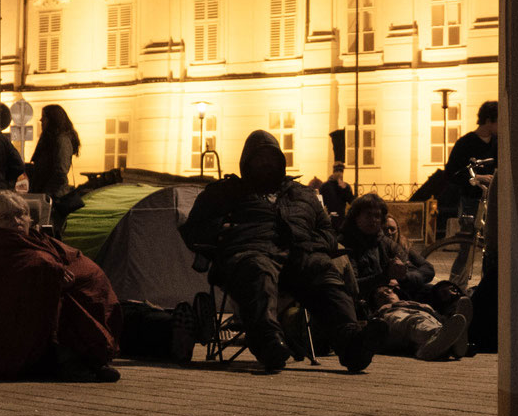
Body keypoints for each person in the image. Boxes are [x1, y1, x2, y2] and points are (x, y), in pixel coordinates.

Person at [180, 129, 385, 374]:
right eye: (260, 158)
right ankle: (269, 342)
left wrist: (313, 246)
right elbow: (192, 229)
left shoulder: (303, 195)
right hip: (249, 252)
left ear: (281, 161)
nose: (266, 164)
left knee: (324, 271)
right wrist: (220, 232)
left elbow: (328, 232)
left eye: (271, 158)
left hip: (299, 256)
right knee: (259, 269)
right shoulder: (226, 192)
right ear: (247, 161)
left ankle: (352, 343)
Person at [0, 191, 120, 383]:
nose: (16, 221)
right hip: (19, 320)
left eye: (20, 214)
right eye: (5, 217)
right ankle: (67, 360)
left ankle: (86, 359)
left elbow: (74, 258)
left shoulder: (37, 238)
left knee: (77, 291)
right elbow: (22, 270)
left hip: (57, 295)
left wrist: (72, 276)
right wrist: (52, 273)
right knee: (51, 289)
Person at [341, 195, 468, 360]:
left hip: (402, 295)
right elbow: (353, 286)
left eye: (377, 216)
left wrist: (403, 277)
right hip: (375, 304)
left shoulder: (386, 243)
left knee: (438, 296)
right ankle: (443, 337)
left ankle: (453, 326)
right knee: (409, 320)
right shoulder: (346, 245)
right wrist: (384, 277)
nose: (373, 220)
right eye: (368, 215)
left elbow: (423, 269)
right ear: (355, 217)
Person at [27, 104, 82, 235]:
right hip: (44, 196)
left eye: (44, 117)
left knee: (49, 235)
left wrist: (47, 195)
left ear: (53, 119)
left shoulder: (61, 140)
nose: (41, 121)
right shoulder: (50, 139)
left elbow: (60, 172)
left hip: (53, 199)